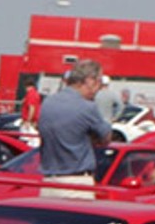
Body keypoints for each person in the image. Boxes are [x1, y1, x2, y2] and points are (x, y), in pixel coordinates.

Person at [39, 59, 113, 197]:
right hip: (76, 183)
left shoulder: (47, 103)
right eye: (99, 83)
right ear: (90, 81)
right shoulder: (87, 107)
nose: (98, 89)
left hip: (48, 182)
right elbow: (106, 137)